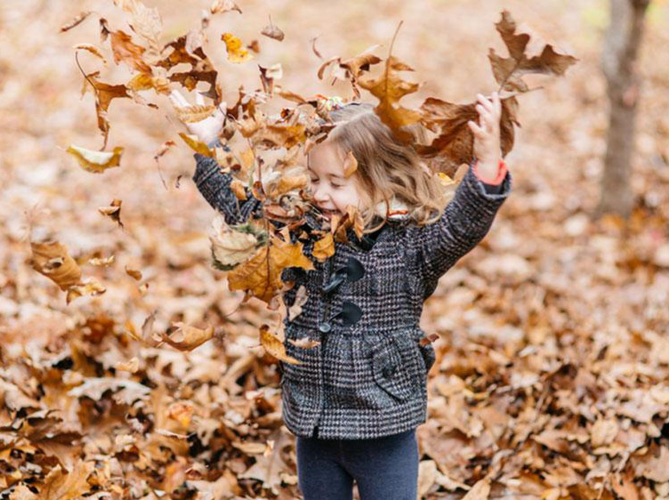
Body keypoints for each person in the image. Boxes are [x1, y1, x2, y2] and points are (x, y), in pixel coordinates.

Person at [169, 89, 511, 500]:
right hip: (314, 425)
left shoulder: (411, 248)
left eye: (336, 183)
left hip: (384, 428)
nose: (319, 193)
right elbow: (239, 206)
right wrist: (209, 144)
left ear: (381, 180)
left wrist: (488, 162)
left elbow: (463, 225)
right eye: (314, 179)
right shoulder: (301, 233)